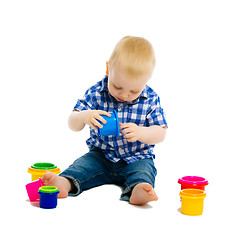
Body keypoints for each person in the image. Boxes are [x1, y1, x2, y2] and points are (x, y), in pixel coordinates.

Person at [42, 36, 168, 205]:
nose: (124, 95)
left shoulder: (151, 98)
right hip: (101, 156)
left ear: (146, 81)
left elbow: (161, 133)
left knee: (144, 171)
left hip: (137, 157)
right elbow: (72, 123)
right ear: (108, 69)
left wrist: (141, 132)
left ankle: (138, 189)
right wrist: (84, 116)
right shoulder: (96, 92)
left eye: (134, 90)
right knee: (82, 166)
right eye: (117, 86)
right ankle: (65, 182)